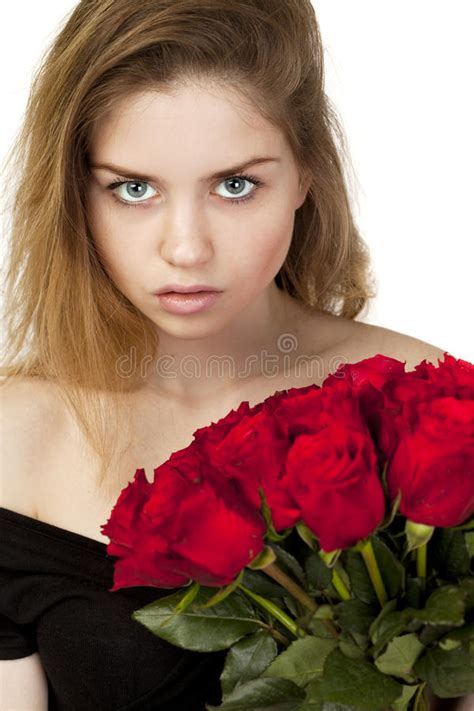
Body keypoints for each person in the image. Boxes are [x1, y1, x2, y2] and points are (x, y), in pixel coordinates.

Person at [0, 1, 467, 709]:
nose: (185, 248)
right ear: (76, 194)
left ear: (306, 174)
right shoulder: (16, 439)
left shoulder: (434, 409)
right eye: (133, 189)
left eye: (235, 185)